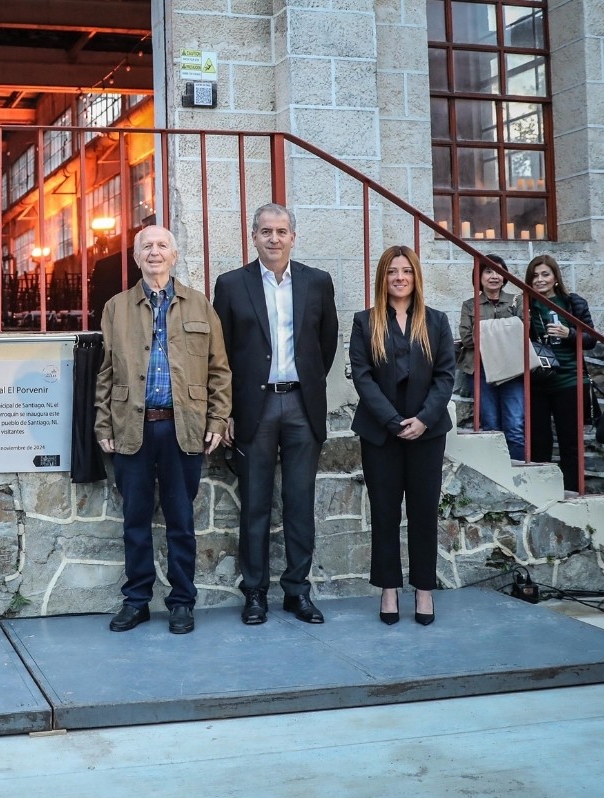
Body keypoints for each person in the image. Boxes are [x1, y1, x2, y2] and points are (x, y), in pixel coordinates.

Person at [95, 225, 232, 635]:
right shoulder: (116, 307)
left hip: (182, 428)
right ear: (136, 257)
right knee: (134, 519)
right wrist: (104, 422)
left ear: (174, 256)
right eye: (146, 247)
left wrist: (217, 421)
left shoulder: (199, 306)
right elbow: (104, 372)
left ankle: (182, 602)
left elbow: (219, 371)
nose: (154, 253)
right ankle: (136, 600)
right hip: (130, 428)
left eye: (162, 246)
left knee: (180, 520)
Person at [212, 204, 338, 626]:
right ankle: (255, 594)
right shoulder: (231, 285)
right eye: (266, 231)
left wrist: (305, 383)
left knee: (299, 503)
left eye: (281, 231)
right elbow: (222, 353)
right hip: (254, 407)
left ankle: (298, 592)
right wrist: (225, 410)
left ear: (293, 236)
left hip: (302, 404)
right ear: (254, 236)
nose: (274, 238)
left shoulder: (317, 282)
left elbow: (327, 342)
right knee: (255, 505)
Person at [350, 246, 455, 626]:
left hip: (427, 434)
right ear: (382, 277)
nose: (399, 277)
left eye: (406, 271)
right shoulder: (365, 322)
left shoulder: (437, 322)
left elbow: (446, 376)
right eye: (392, 271)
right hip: (381, 434)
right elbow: (362, 377)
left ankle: (424, 590)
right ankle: (389, 589)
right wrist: (394, 421)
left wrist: (424, 419)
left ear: (415, 277)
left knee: (424, 512)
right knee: (384, 513)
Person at [520, 254, 597, 493]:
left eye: (545, 274)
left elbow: (591, 340)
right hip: (538, 381)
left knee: (570, 441)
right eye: (535, 276)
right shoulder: (525, 304)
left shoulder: (573, 303)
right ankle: (543, 492)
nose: (540, 280)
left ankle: (573, 491)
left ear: (555, 278)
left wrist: (570, 334)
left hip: (571, 380)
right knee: (539, 441)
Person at [457, 254, 525, 458]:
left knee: (515, 425)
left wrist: (485, 331)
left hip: (512, 370)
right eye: (488, 271)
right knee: (490, 426)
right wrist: (504, 330)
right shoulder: (470, 305)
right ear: (478, 277)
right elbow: (467, 338)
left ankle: (519, 476)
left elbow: (522, 332)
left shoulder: (517, 301)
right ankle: (498, 477)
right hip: (480, 369)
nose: (494, 276)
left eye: (499, 271)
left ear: (505, 277)